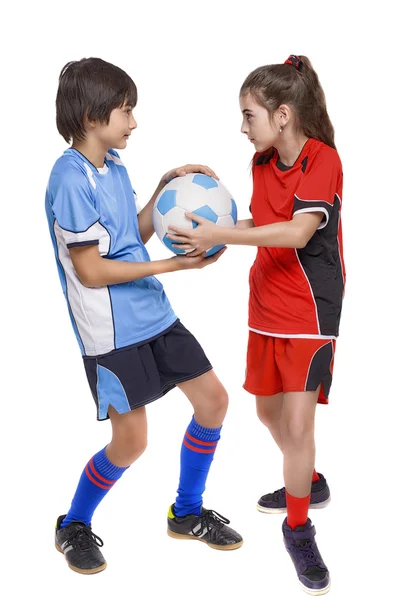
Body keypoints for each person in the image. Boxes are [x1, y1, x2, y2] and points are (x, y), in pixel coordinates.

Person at [45, 57, 243, 575]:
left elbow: (129, 238)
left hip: (154, 313)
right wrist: (178, 264)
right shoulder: (69, 178)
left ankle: (187, 512)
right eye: (125, 111)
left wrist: (161, 191)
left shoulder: (115, 168)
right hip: (112, 333)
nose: (133, 122)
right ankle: (74, 524)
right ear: (91, 116)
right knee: (131, 442)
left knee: (214, 402)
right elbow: (90, 270)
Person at [167, 54, 345, 595]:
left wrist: (224, 235)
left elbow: (294, 233)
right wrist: (213, 233)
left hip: (309, 312)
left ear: (283, 115)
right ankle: (308, 481)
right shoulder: (262, 163)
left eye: (249, 116)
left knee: (298, 429)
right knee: (269, 413)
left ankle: (298, 528)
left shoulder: (324, 160)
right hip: (264, 304)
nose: (243, 128)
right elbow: (262, 226)